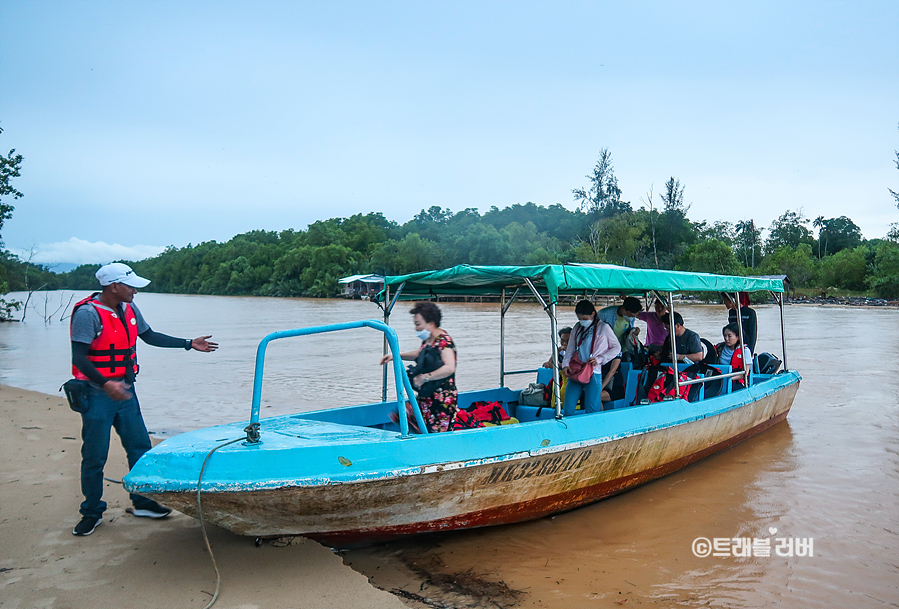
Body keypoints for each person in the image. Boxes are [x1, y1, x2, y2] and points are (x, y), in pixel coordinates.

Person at [69, 263, 218, 537]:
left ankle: (143, 502)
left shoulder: (129, 308)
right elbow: (79, 357)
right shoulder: (88, 314)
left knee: (140, 447)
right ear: (114, 287)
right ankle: (91, 512)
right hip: (96, 394)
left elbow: (148, 336)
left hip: (125, 391)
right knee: (94, 456)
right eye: (131, 285)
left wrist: (188, 343)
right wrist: (105, 384)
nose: (135, 290)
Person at [380, 301, 458, 433]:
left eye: (418, 324)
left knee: (436, 432)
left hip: (441, 397)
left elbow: (450, 367)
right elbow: (419, 353)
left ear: (431, 323)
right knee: (402, 415)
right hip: (426, 394)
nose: (416, 328)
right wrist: (396, 356)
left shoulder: (444, 341)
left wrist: (426, 377)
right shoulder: (429, 340)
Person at [561, 300, 622, 413]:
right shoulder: (577, 327)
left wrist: (600, 359)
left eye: (584, 318)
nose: (582, 321)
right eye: (580, 319)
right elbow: (570, 349)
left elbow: (616, 347)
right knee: (568, 407)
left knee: (592, 408)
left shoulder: (604, 328)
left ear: (593, 314)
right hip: (576, 370)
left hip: (593, 372)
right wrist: (565, 365)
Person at [714, 322, 753, 390]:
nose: (726, 338)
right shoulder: (720, 347)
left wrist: (728, 378)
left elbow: (745, 373)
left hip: (736, 382)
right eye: (725, 336)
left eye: (729, 336)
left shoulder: (745, 351)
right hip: (718, 379)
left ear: (738, 337)